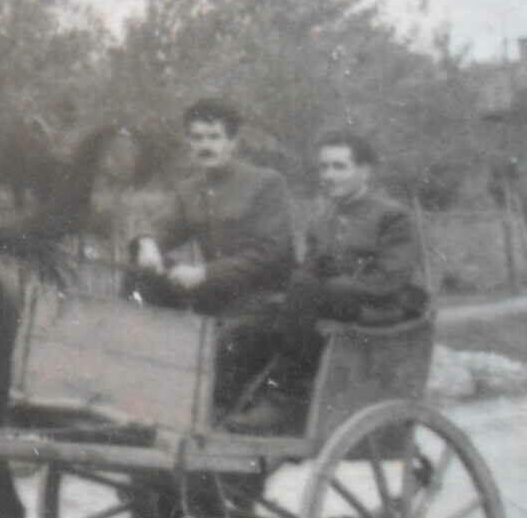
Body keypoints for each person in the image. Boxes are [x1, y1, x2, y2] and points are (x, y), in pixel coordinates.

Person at [225, 131, 428, 434]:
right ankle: (231, 404)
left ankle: (285, 398)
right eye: (324, 167)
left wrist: (327, 286)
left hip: (378, 311)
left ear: (365, 170)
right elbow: (309, 270)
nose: (329, 176)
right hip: (329, 303)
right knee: (255, 316)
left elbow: (390, 280)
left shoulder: (392, 216)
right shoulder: (322, 220)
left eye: (339, 167)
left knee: (305, 289)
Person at [129, 97, 296, 408]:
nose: (205, 146)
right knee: (142, 278)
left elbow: (271, 252)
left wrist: (205, 274)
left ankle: (212, 414)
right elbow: (161, 227)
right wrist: (148, 245)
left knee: (217, 350)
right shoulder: (189, 189)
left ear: (233, 142)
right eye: (197, 138)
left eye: (214, 137)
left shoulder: (266, 184)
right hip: (214, 300)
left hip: (264, 303)